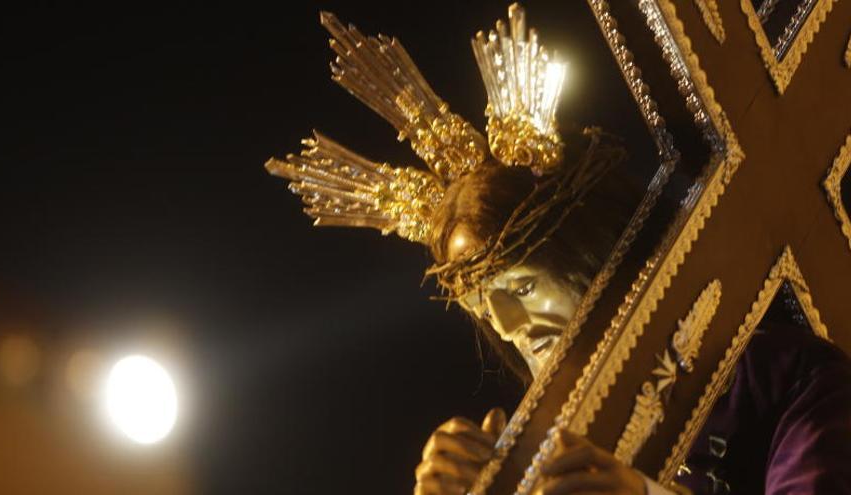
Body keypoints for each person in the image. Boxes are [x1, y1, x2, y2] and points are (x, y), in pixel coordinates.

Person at [264, 5, 851, 494]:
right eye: (484, 306)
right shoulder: (540, 452)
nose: (511, 325)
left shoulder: (782, 377)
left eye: (520, 286)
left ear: (590, 248)